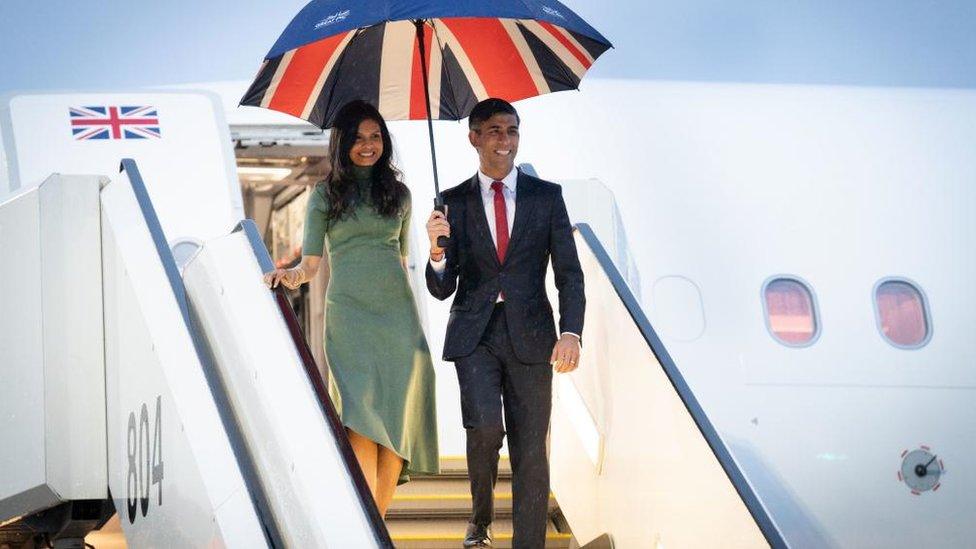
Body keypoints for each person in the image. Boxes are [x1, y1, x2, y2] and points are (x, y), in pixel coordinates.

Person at [264, 100, 438, 517]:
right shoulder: (325, 195)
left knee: (395, 430)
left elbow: (400, 260)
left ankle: (373, 529)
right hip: (349, 319)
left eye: (376, 136)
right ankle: (371, 532)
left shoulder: (401, 194)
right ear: (343, 143)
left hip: (398, 320)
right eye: (359, 137)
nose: (368, 145)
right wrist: (287, 276)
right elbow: (309, 265)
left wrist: (436, 244)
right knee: (360, 423)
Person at [425, 98, 585, 548]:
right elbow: (442, 288)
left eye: (512, 130)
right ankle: (479, 519)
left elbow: (568, 273)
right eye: (494, 130)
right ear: (473, 137)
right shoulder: (451, 202)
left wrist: (571, 332)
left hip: (533, 336)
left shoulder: (546, 197)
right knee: (485, 429)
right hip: (475, 334)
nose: (505, 140)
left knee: (531, 450)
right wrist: (437, 252)